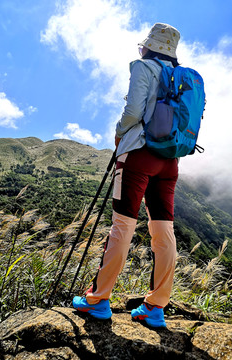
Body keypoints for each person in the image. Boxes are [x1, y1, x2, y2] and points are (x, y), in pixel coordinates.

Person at [73, 23, 180, 328]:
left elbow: (133, 111)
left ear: (149, 46)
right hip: (169, 161)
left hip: (138, 155)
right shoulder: (181, 76)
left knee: (123, 223)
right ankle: (155, 307)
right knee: (163, 231)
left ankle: (98, 300)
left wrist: (120, 133)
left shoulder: (143, 67)